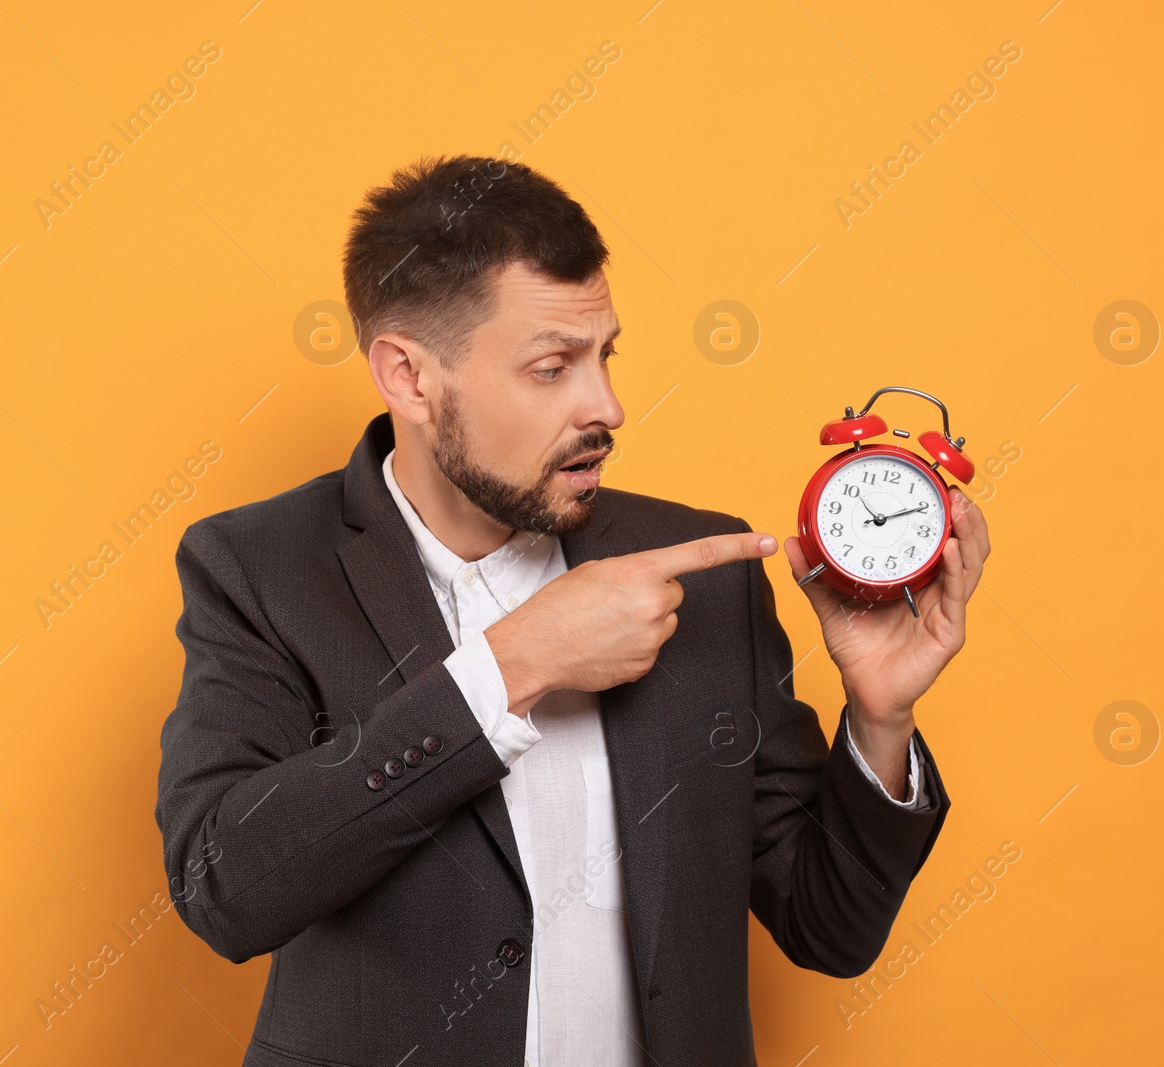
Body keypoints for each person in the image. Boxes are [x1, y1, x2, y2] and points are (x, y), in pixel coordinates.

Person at [155, 153, 991, 1066]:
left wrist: (879, 717)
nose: (610, 406)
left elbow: (828, 929)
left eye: (606, 356)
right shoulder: (258, 566)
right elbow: (223, 888)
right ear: (408, 375)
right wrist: (512, 666)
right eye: (553, 367)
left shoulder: (703, 570)